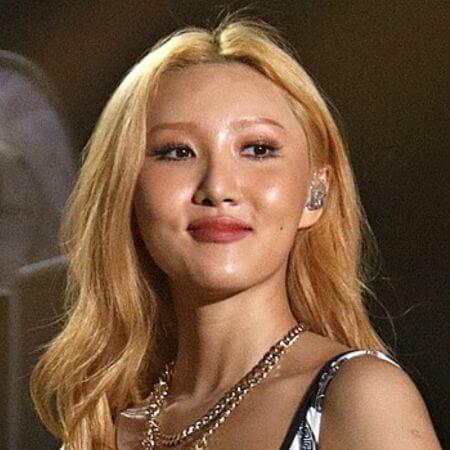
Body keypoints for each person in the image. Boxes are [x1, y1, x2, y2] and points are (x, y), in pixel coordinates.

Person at [30, 15, 442, 450]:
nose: (218, 188)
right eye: (177, 152)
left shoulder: (360, 398)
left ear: (315, 193)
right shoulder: (102, 429)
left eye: (258, 149)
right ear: (126, 191)